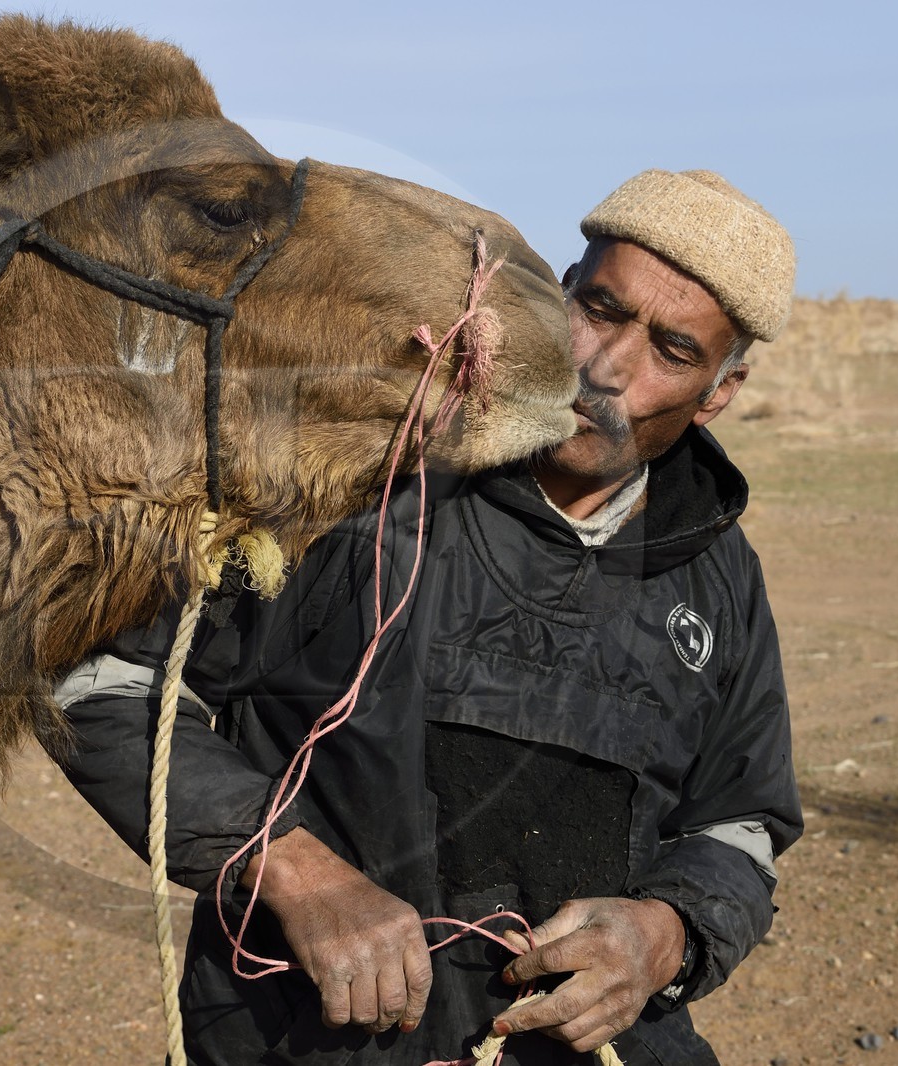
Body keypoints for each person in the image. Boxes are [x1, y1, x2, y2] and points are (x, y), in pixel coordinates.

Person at [53, 169, 803, 1065]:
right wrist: (287, 864)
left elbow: (741, 824)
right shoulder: (365, 480)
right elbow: (105, 683)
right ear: (559, 290)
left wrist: (664, 936)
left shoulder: (717, 574)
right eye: (599, 308)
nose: (605, 367)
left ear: (719, 390)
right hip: (311, 1041)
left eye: (673, 351)